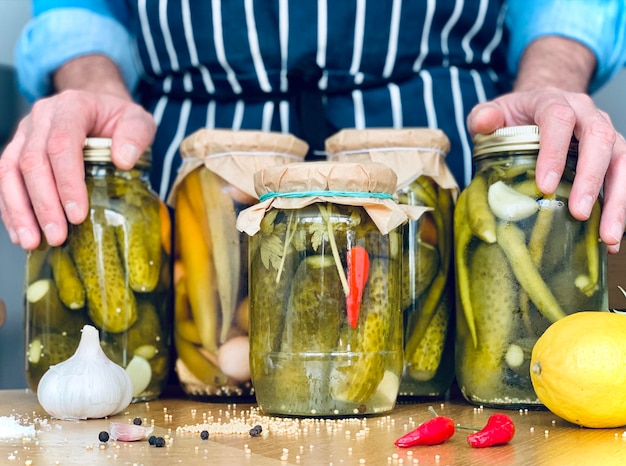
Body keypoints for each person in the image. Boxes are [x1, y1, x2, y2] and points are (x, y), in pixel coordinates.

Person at [1, 0, 625, 253]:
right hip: (194, 181)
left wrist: (550, 74)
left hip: (444, 167)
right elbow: (80, 4)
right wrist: (91, 87)